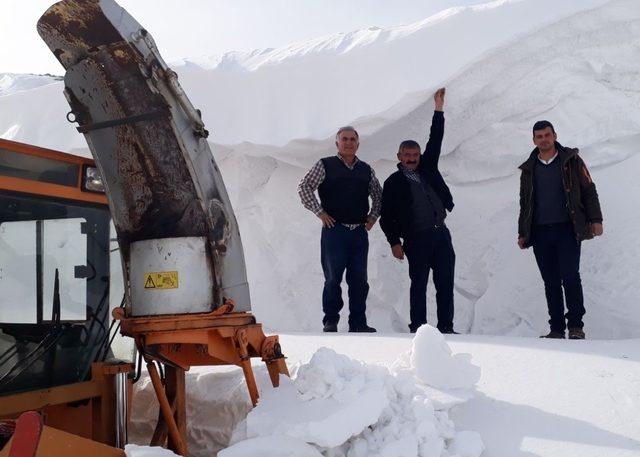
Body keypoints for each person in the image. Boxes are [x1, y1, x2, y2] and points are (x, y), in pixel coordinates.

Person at [379, 88, 457, 334]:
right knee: (419, 284)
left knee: (445, 282)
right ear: (399, 156)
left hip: (441, 235)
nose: (412, 158)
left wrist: (438, 109)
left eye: (415, 154)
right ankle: (419, 329)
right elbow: (386, 216)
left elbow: (436, 138)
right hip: (416, 238)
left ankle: (446, 327)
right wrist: (394, 242)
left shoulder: (428, 169)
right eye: (407, 155)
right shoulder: (393, 182)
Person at [518, 120, 603, 339]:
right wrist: (522, 232)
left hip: (568, 229)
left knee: (570, 276)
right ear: (534, 140)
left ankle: (576, 326)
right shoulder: (529, 168)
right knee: (550, 281)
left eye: (547, 135)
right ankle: (556, 329)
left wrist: (596, 219)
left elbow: (589, 189)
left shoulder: (572, 161)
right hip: (540, 231)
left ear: (555, 136)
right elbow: (525, 202)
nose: (543, 139)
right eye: (539, 136)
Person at [297, 125, 382, 332]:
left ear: (358, 144)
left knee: (359, 280)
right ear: (337, 143)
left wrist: (372, 218)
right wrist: (319, 212)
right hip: (334, 231)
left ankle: (358, 322)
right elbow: (304, 186)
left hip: (359, 233)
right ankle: (331, 320)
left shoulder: (365, 170)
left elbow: (378, 195)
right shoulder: (325, 165)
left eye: (353, 139)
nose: (349, 143)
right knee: (333, 278)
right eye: (344, 139)